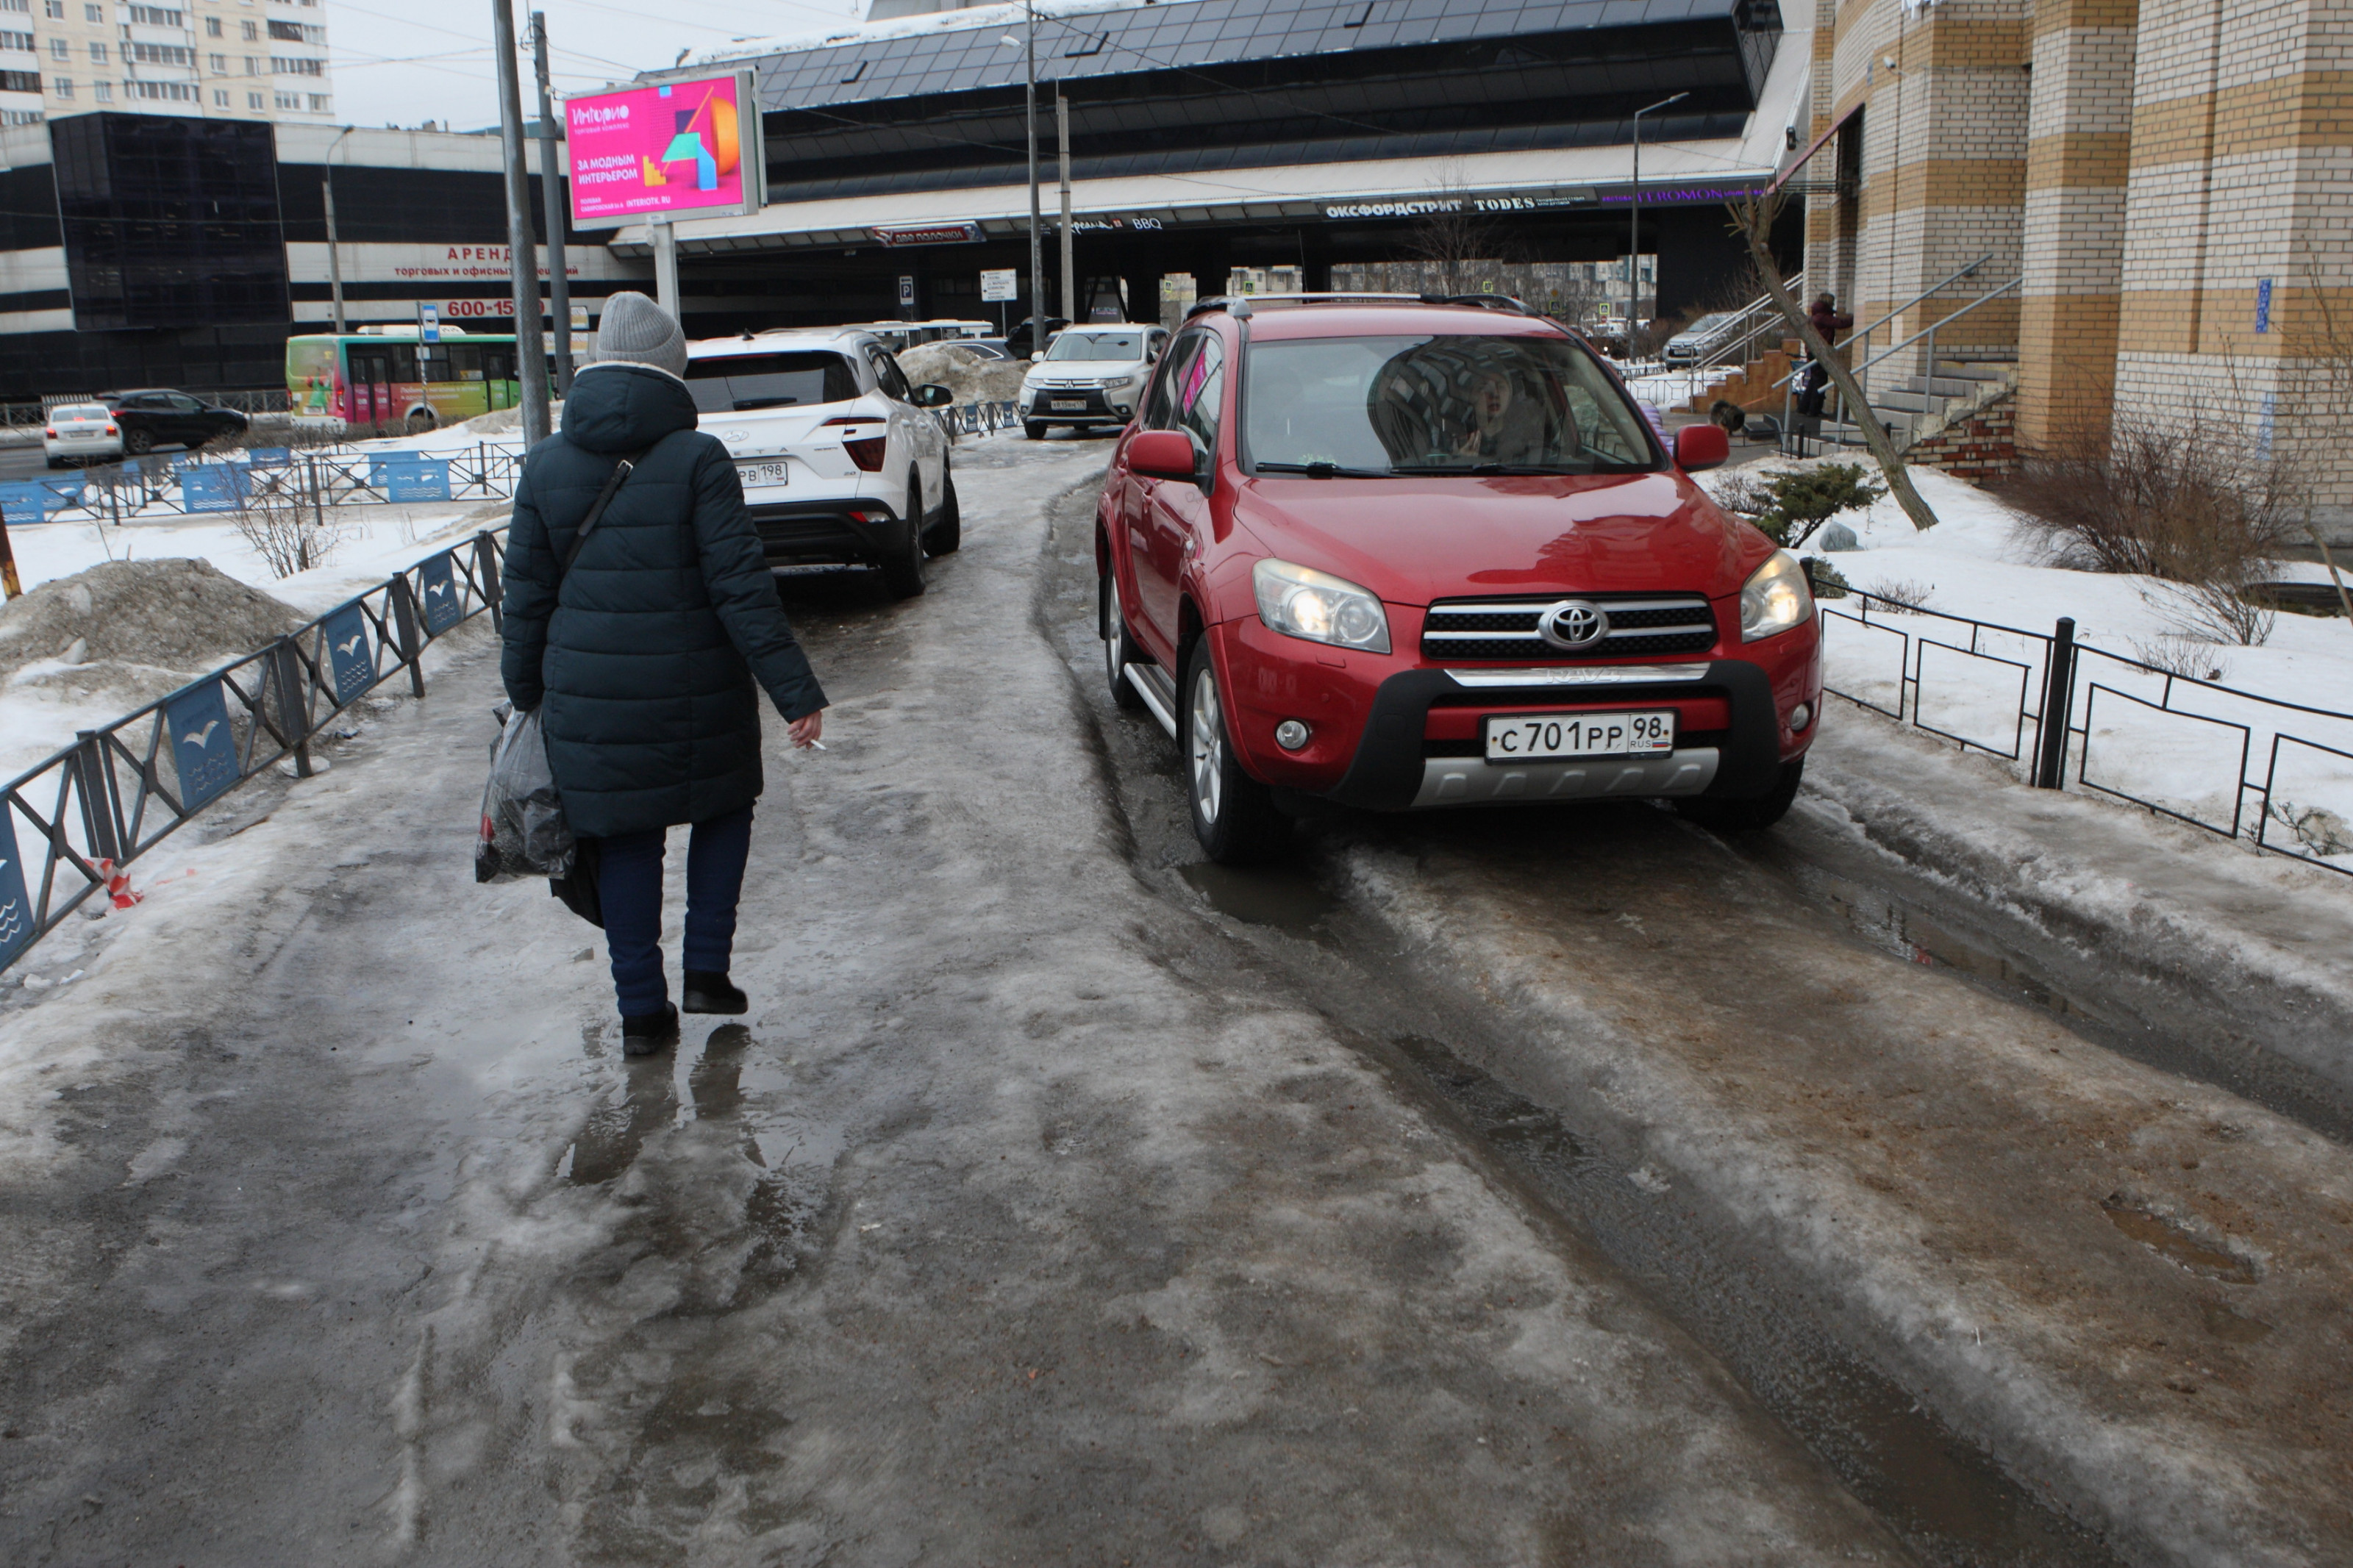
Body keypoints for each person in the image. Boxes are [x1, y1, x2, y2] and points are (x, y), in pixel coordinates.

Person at [500, 292, 827, 1055]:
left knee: (623, 841)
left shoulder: (544, 464)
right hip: (697, 694)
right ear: (669, 370)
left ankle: (642, 1015)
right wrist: (793, 691)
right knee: (722, 806)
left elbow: (525, 597)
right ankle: (707, 970)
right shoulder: (696, 459)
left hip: (586, 702)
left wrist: (527, 696)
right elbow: (739, 585)